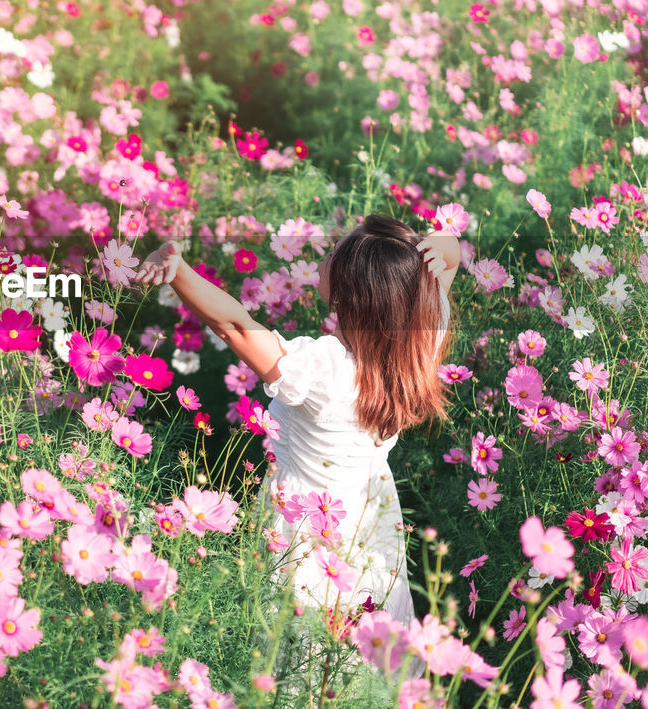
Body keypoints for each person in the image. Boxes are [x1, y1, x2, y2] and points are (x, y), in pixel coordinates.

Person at [134, 214, 459, 641]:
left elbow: (234, 326)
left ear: (349, 293)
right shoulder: (417, 344)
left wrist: (179, 273)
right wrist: (448, 247)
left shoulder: (325, 372)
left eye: (331, 257)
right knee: (361, 640)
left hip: (308, 533)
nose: (322, 258)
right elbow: (434, 281)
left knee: (300, 645)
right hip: (366, 522)